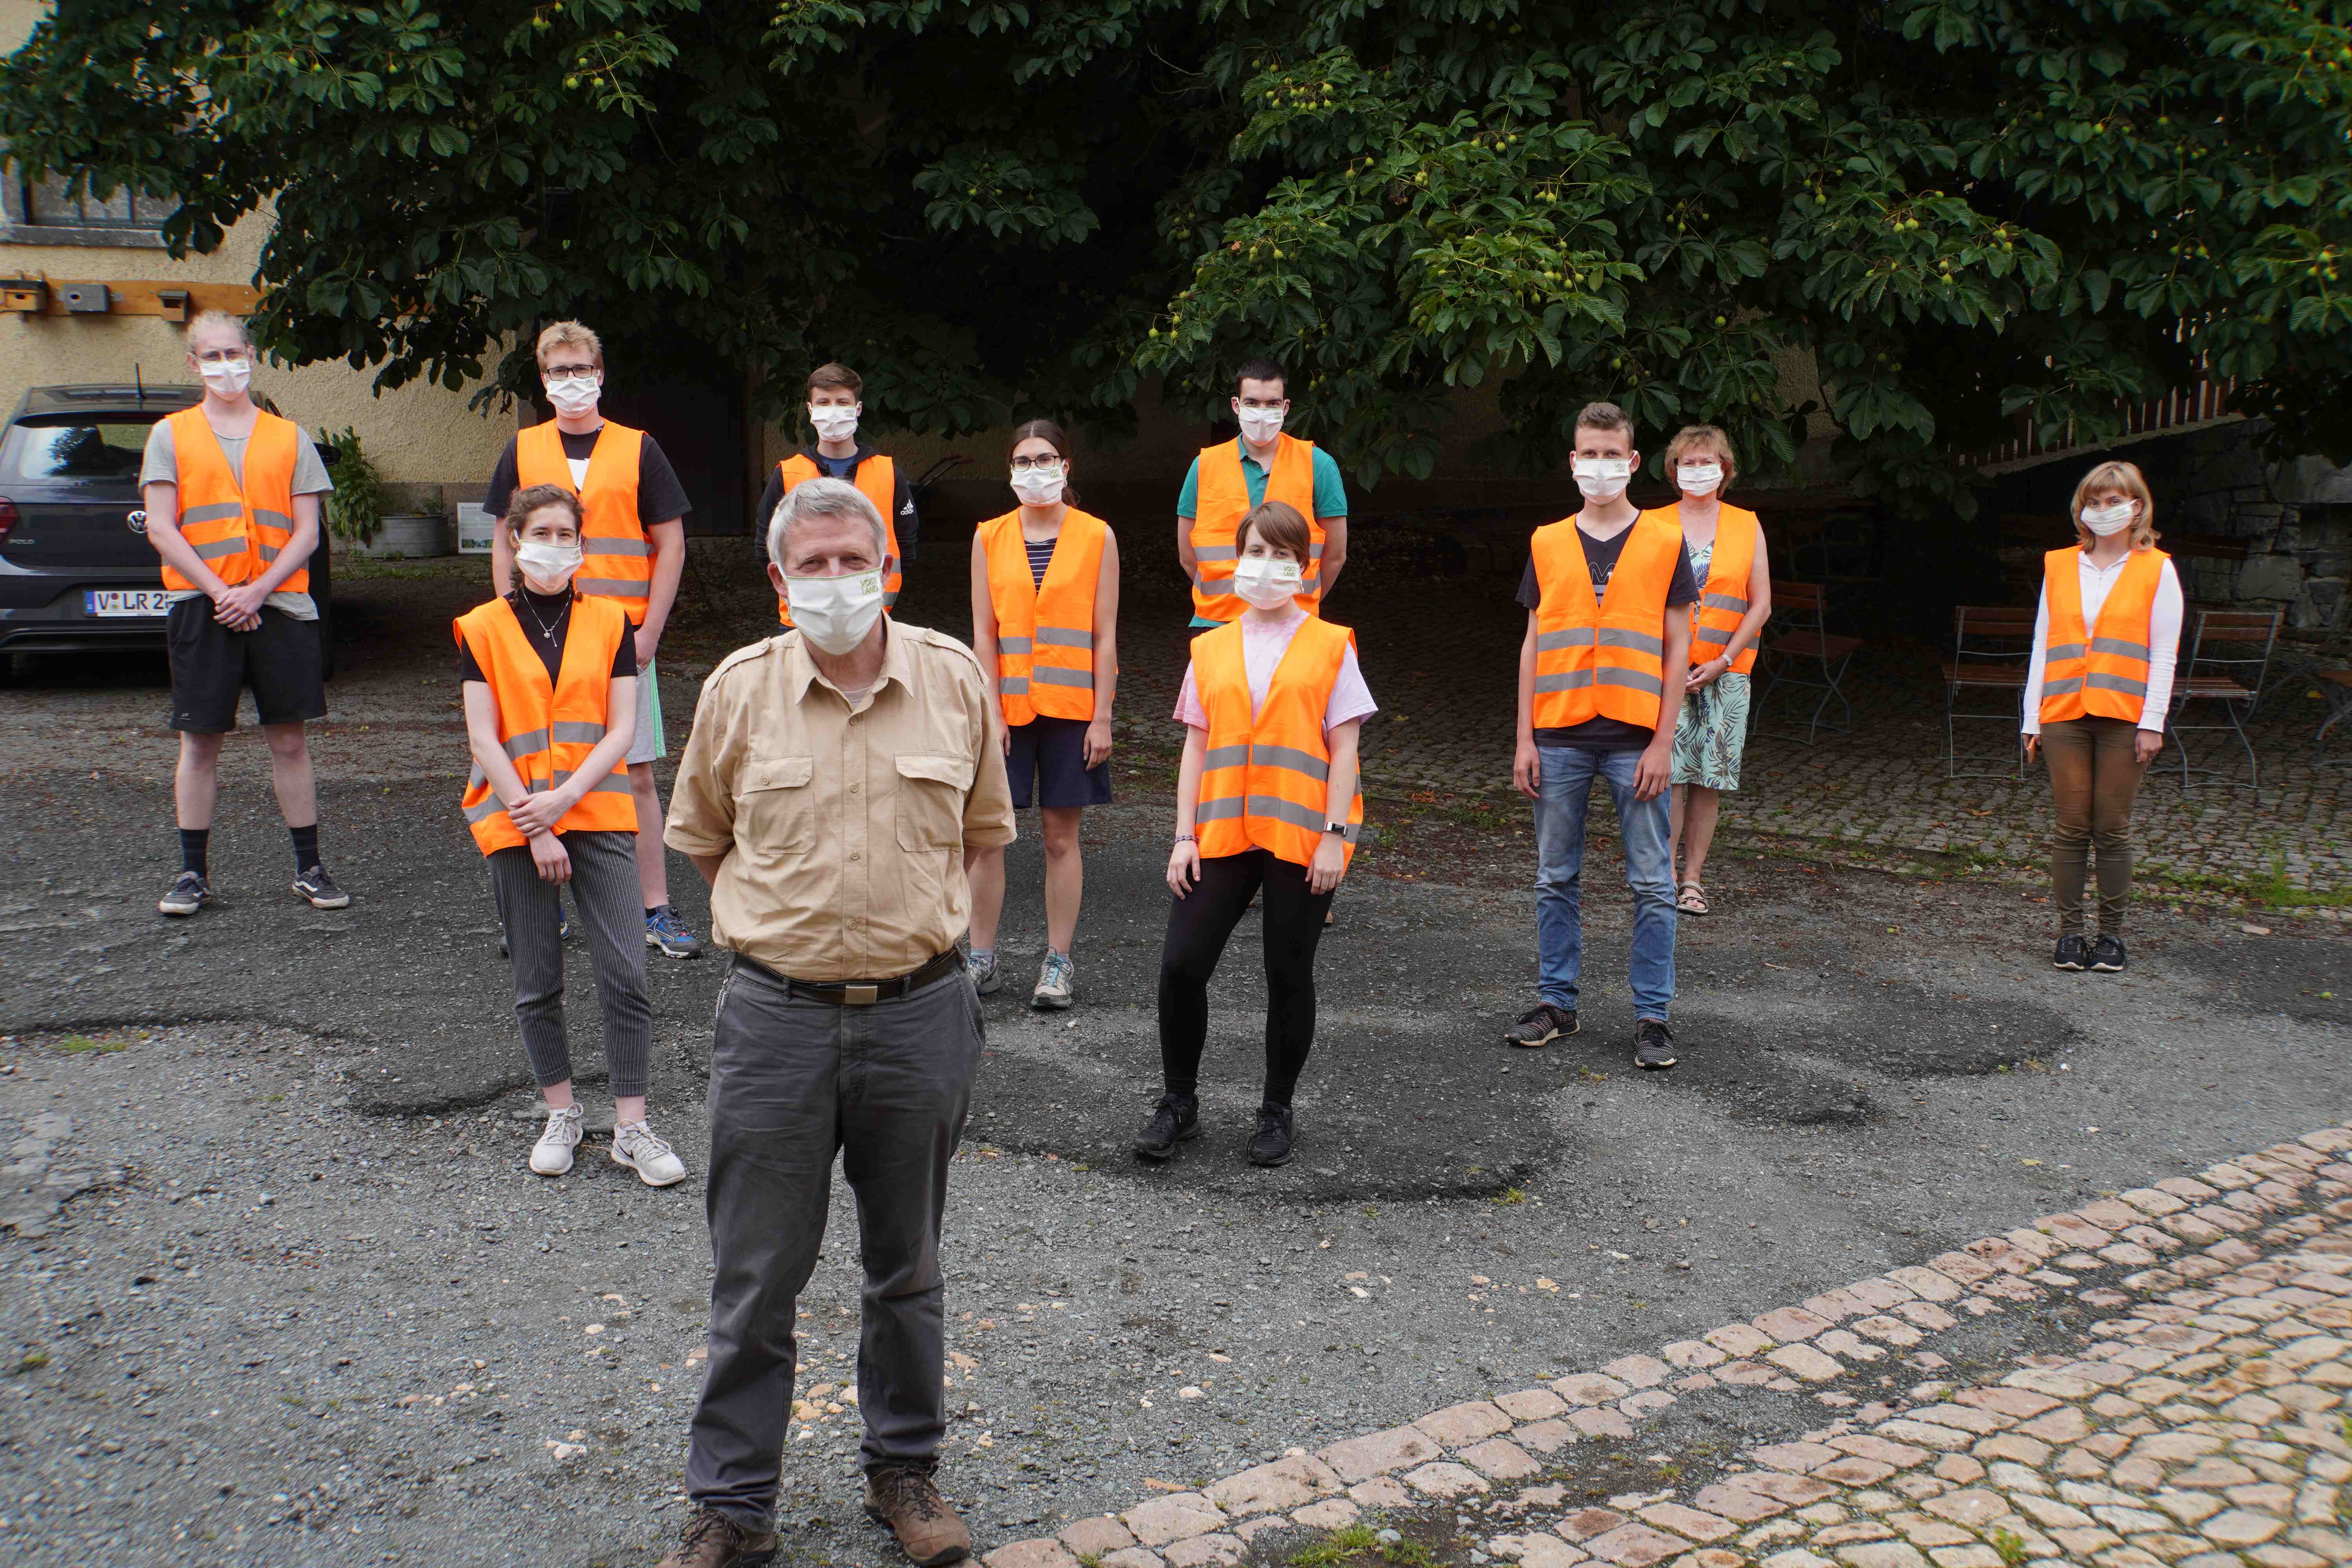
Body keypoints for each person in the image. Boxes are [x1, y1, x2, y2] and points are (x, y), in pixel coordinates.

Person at [657, 477, 1013, 1568]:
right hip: (775, 1020)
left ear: (887, 568)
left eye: (851, 560)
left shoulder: (955, 683)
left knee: (907, 1266)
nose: (834, 581)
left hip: (920, 1017)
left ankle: (904, 1473)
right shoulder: (737, 692)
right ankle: (734, 1509)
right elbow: (704, 838)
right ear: (778, 582)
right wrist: (782, 936)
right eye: (809, 565)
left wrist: (967, 972)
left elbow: (986, 838)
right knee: (755, 1276)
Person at [456, 485, 687, 1187]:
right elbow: (482, 734)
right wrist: (536, 819)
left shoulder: (611, 620)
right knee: (536, 979)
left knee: (625, 972)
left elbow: (622, 728)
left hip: (597, 812)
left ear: (582, 542)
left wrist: (564, 800)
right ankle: (562, 1112)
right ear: (515, 540)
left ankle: (631, 1126)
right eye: (542, 532)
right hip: (514, 818)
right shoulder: (480, 626)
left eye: (566, 532)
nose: (554, 545)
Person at [1140, 500, 1372, 1170]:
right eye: (1254, 552)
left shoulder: (1332, 645)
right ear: (1234, 561)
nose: (1265, 567)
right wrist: (1183, 836)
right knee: (1182, 966)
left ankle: (1276, 1111)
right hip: (1220, 832)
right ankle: (1178, 1103)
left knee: (1287, 971)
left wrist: (1334, 835)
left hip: (1300, 836)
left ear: (1304, 568)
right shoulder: (1209, 646)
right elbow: (1194, 748)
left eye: (1281, 556)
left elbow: (1345, 747)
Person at [481, 321, 702, 960]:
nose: (571, 381)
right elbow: (503, 537)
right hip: (539, 635)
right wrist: (506, 616)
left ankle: (654, 908)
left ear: (600, 375)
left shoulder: (638, 449)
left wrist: (651, 630)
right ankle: (540, 913)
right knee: (538, 769)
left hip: (620, 642)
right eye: (558, 372)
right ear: (543, 380)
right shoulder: (523, 449)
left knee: (634, 776)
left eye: (581, 369)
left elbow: (671, 544)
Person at [1506, 403, 1695, 1069]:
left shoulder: (1666, 542)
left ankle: (1652, 1017)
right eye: (1589, 453)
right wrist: (1525, 738)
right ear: (1573, 461)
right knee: (1555, 877)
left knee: (1652, 882)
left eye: (1612, 454)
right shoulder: (1546, 541)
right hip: (1557, 735)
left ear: (1634, 461)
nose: (1601, 466)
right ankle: (1557, 1003)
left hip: (1634, 739)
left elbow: (1679, 649)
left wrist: (1665, 742)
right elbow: (1533, 643)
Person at [142, 310, 349, 916]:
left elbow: (307, 532)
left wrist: (256, 592)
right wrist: (221, 593)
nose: (226, 366)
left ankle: (310, 867)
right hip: (201, 607)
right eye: (212, 356)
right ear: (194, 363)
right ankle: (191, 874)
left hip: (278, 606)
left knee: (289, 740)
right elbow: (162, 525)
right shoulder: (170, 435)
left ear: (252, 356)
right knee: (200, 741)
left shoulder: (289, 437)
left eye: (234, 353)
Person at [965, 421, 1121, 1009]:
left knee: (1061, 838)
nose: (1036, 469)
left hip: (1073, 711)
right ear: (1010, 469)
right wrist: (990, 712)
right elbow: (984, 634)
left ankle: (1058, 963)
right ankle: (981, 959)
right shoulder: (988, 536)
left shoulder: (1097, 535)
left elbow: (1105, 636)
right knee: (988, 838)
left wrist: (1102, 716)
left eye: (1046, 458)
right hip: (1007, 710)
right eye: (1024, 460)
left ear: (1066, 465)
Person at [2021, 460, 2181, 975]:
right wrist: (2031, 718)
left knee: (2111, 828)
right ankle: (2070, 935)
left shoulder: (2159, 568)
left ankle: (2111, 936)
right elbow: (2043, 644)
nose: (2105, 510)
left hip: (2124, 717)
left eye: (2116, 501)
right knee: (2070, 827)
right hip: (2064, 712)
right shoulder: (2060, 564)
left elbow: (2164, 652)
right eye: (2096, 501)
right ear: (2082, 509)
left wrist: (2153, 721)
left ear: (2138, 507)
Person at [1657, 426, 1771, 918]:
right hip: (1667, 672)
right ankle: (1659, 879)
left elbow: (1762, 603)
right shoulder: (1652, 524)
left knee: (1710, 780)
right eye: (1688, 462)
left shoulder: (1747, 524)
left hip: (1728, 673)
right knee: (1668, 779)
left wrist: (1723, 661)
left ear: (1725, 469)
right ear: (1673, 469)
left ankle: (1693, 881)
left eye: (1708, 462)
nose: (1698, 470)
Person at [1175, 357, 1348, 625]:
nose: (1262, 411)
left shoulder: (1318, 465)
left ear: (1285, 407)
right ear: (1237, 405)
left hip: (1294, 621)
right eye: (1253, 403)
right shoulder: (1204, 466)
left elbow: (1336, 556)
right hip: (1218, 622)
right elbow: (1188, 558)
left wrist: (1302, 603)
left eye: (1272, 404)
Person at [753, 362, 920, 626]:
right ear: (810, 410)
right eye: (823, 402)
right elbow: (766, 549)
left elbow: (907, 547)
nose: (832, 411)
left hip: (874, 615)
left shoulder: (889, 472)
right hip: (802, 619)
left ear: (858, 409)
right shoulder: (786, 474)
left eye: (841, 402)